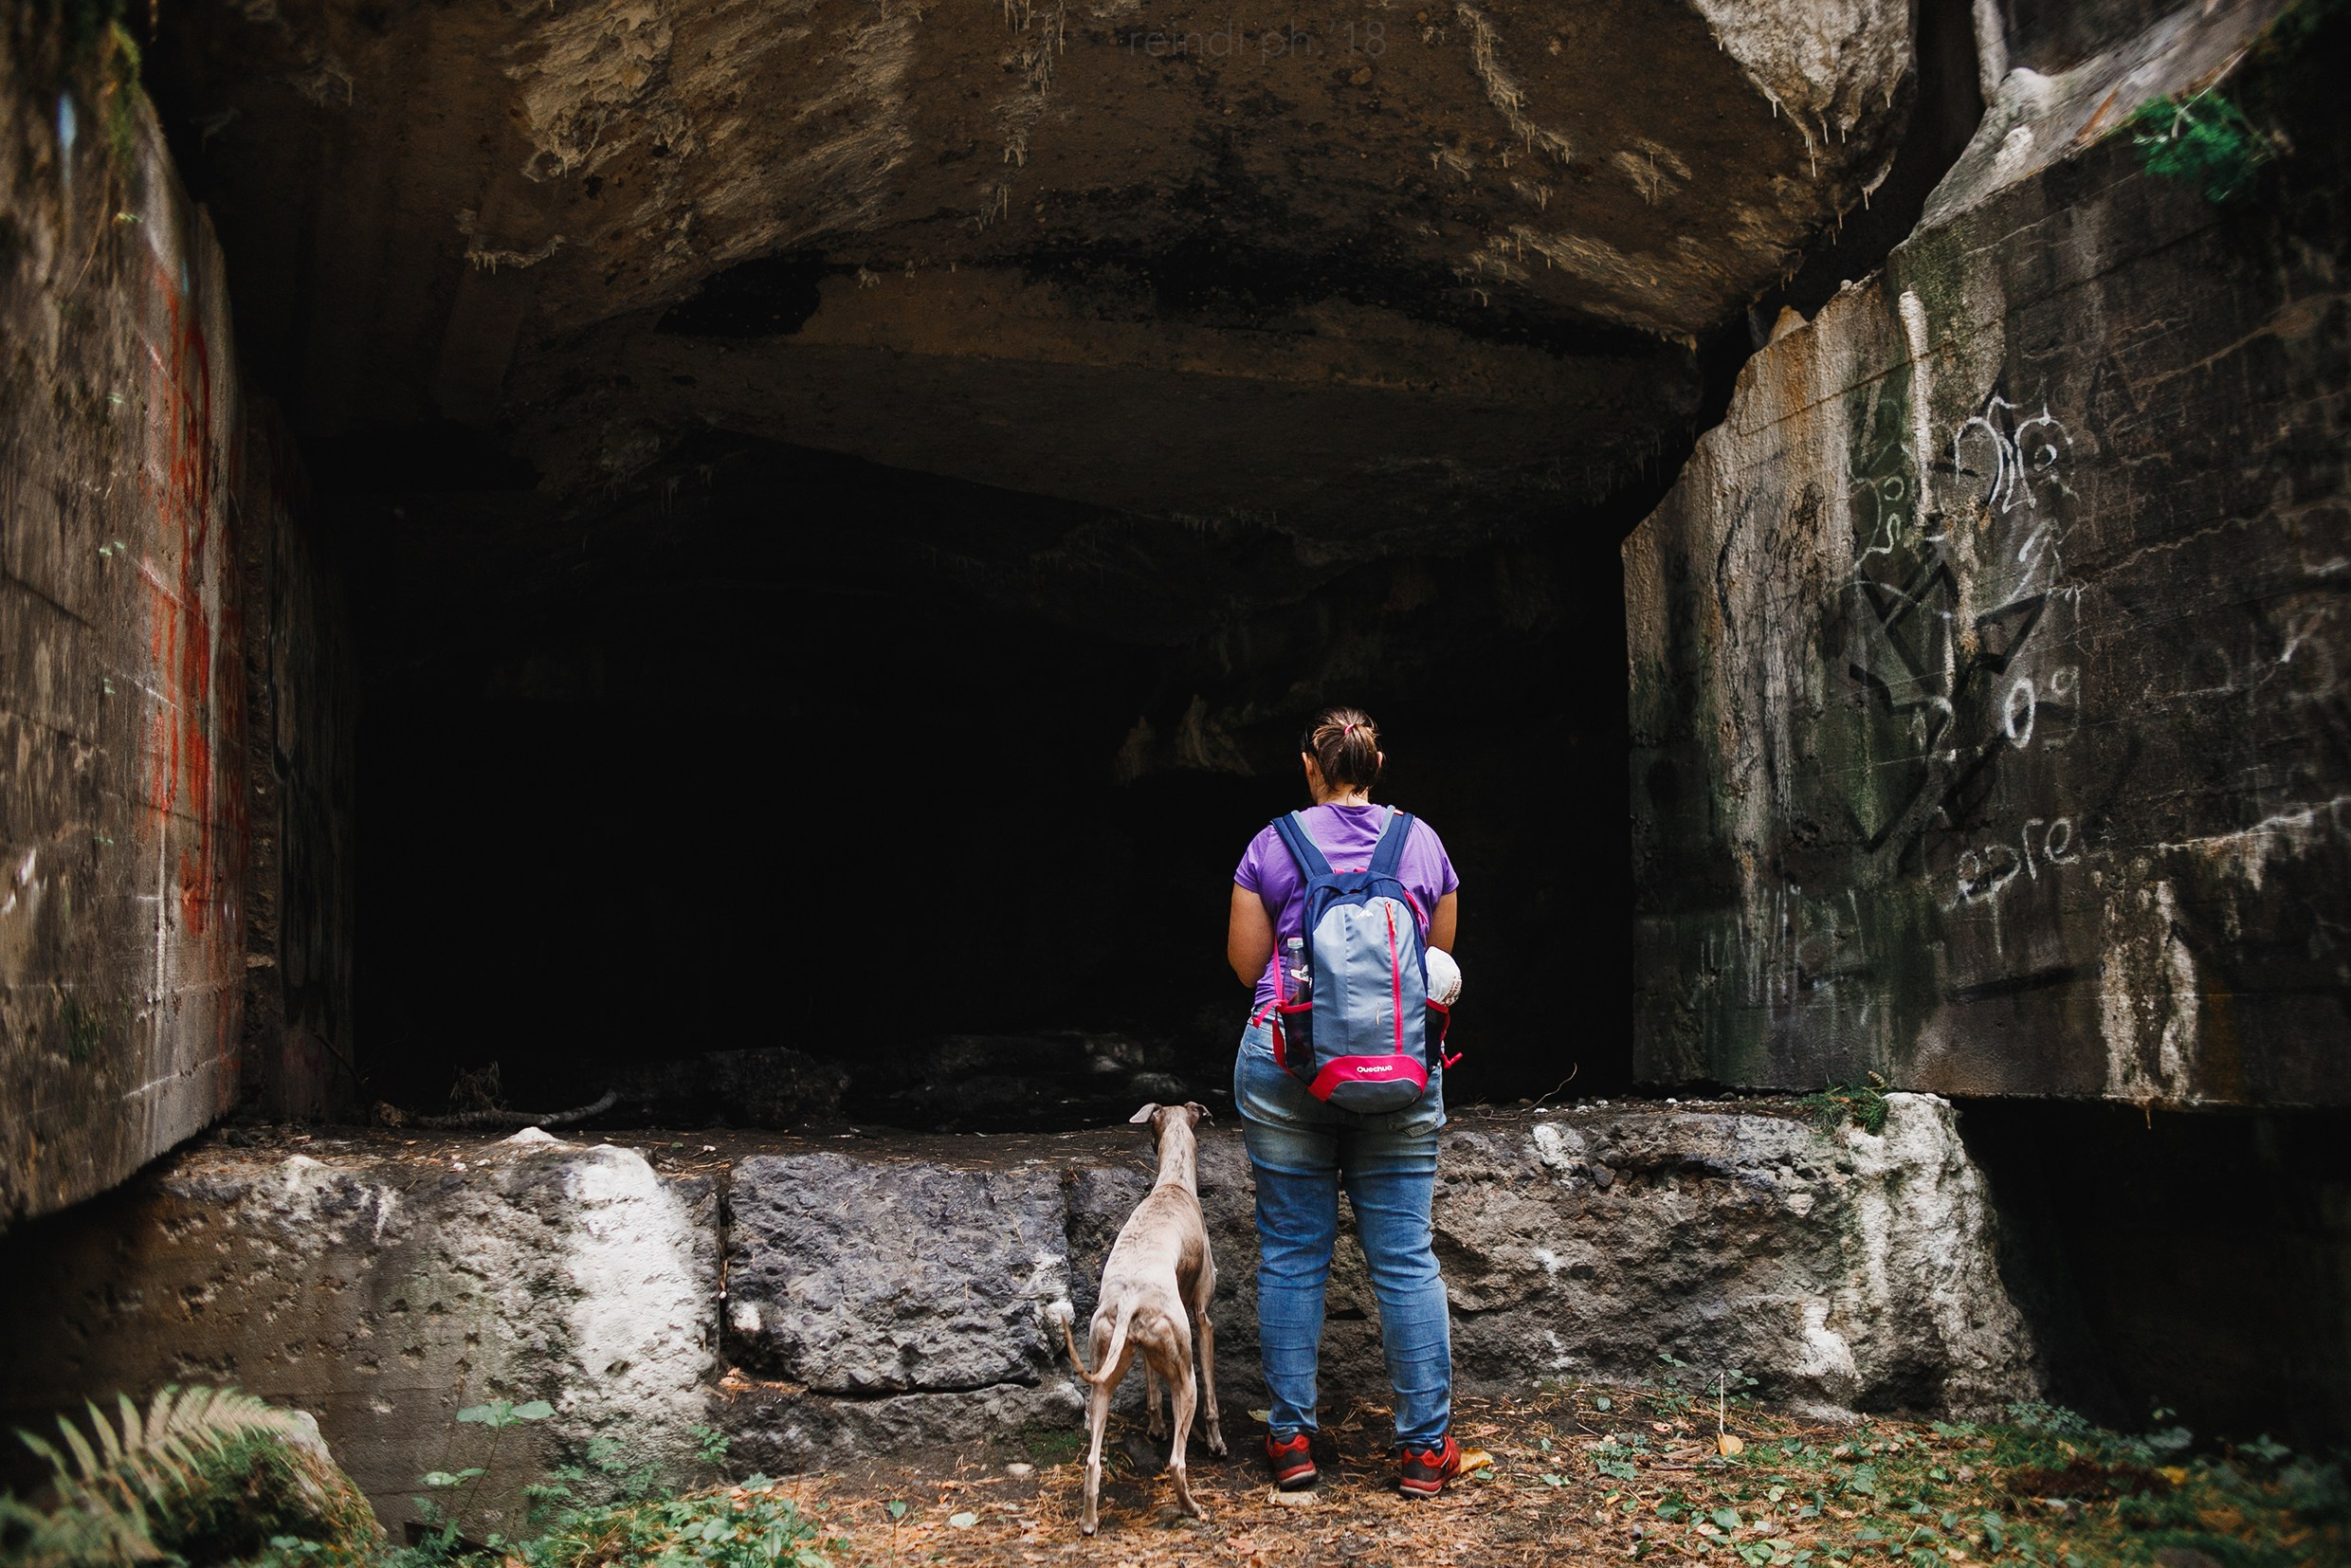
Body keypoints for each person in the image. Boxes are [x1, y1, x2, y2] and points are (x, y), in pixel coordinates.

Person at [1225, 705, 1463, 1499]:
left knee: (1293, 1254)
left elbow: (1246, 963)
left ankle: (1291, 1442)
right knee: (1403, 1259)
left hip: (1287, 1062)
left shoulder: (1270, 845)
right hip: (1399, 1071)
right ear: (1378, 761)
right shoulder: (1421, 843)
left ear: (1308, 766)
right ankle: (1424, 1452)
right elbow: (1439, 957)